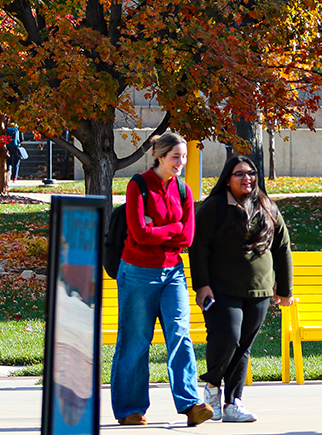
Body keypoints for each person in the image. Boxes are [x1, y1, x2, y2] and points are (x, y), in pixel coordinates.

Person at [111, 132, 213, 427]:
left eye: (184, 157)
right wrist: (173, 229)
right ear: (160, 156)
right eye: (176, 157)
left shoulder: (183, 190)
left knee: (180, 335)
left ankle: (191, 405)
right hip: (137, 273)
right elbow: (139, 233)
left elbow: (189, 236)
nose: (181, 162)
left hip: (173, 273)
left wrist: (160, 230)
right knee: (135, 341)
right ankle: (130, 409)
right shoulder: (138, 186)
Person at [189, 155, 293, 423]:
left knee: (243, 346)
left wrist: (285, 290)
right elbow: (198, 248)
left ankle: (233, 403)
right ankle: (212, 386)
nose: (247, 178)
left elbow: (282, 248)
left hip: (259, 290)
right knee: (228, 338)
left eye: (251, 173)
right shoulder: (214, 207)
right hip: (221, 290)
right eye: (240, 174)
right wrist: (201, 286)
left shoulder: (267, 206)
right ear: (227, 179)